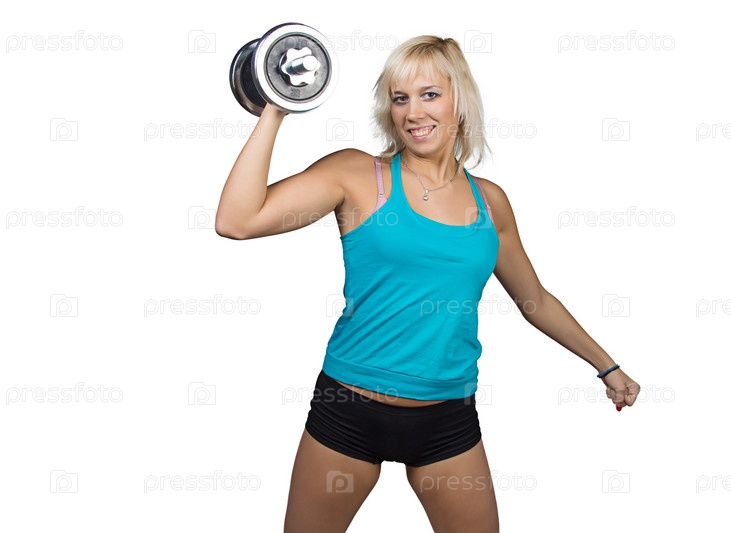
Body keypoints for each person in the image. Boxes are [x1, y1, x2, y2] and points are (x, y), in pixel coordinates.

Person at [215, 35, 640, 533]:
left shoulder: (490, 202)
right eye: (400, 98)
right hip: (350, 411)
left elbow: (535, 301)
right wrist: (276, 107)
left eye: (430, 94)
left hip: (447, 420)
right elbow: (237, 221)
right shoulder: (357, 175)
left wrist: (607, 366)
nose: (413, 111)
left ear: (460, 100)